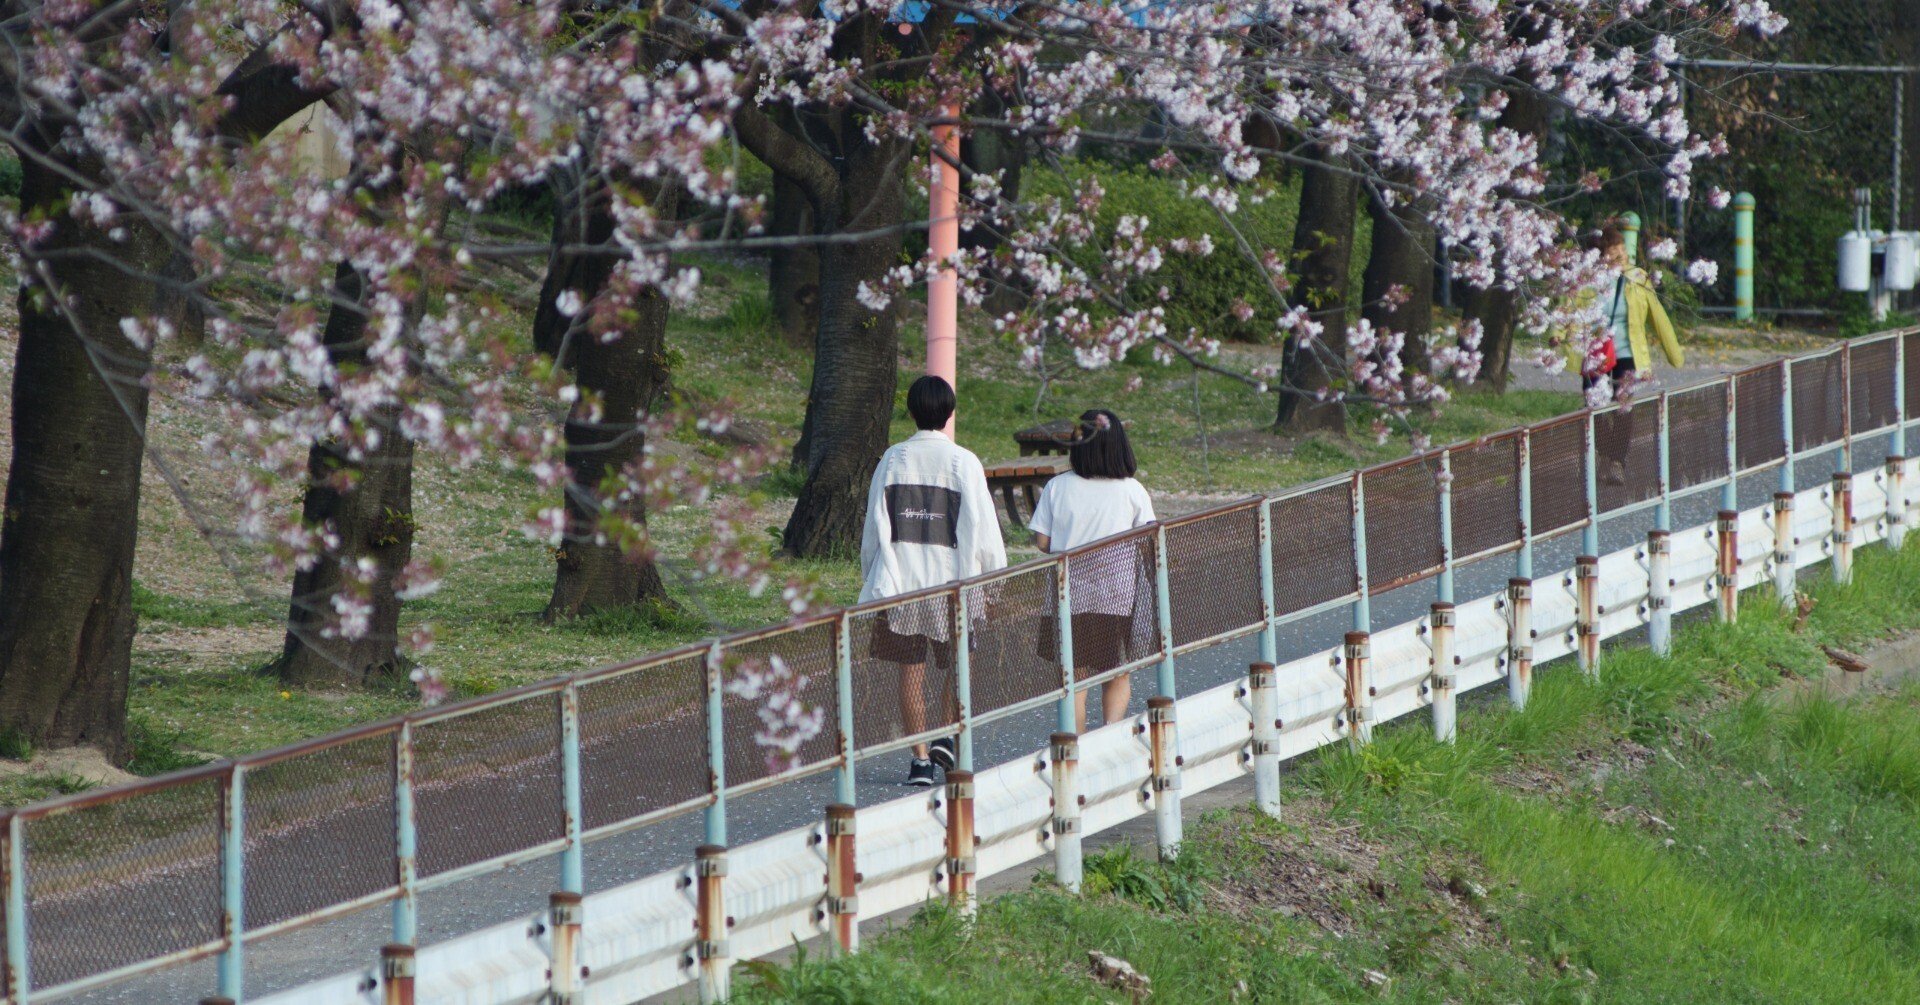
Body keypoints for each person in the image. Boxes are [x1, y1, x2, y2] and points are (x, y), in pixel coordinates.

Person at [859, 375, 1007, 786]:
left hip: (902, 584)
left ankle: (920, 760)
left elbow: (874, 526)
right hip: (954, 585)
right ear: (950, 412)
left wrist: (871, 575)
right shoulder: (965, 462)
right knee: (959, 666)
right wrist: (993, 580)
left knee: (911, 672)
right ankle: (945, 734)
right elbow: (985, 530)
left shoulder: (892, 459)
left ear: (910, 411)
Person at [1027, 409, 1156, 733]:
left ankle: (1077, 745)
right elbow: (1148, 540)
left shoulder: (1057, 487)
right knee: (1117, 672)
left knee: (1074, 678)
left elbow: (1042, 542)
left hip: (1068, 595)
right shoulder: (1132, 490)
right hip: (1119, 596)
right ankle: (1111, 735)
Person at [1578, 224, 1685, 482]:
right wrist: (1557, 335)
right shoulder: (1586, 280)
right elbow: (1570, 310)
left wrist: (1674, 353)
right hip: (1596, 350)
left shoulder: (1638, 278)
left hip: (1628, 351)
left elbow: (1657, 315)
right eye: (1613, 252)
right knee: (1594, 406)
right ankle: (1605, 453)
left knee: (1623, 405)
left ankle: (1617, 461)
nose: (1620, 256)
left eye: (1622, 250)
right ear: (1598, 256)